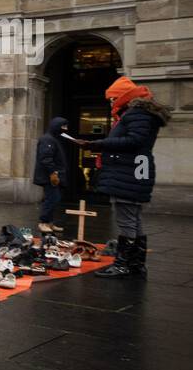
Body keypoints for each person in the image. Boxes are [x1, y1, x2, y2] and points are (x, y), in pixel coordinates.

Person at [86, 77, 170, 279]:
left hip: (128, 172)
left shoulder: (136, 114)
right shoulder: (140, 113)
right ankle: (136, 263)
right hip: (131, 171)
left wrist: (100, 144)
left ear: (123, 97)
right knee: (133, 218)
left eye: (112, 98)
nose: (111, 102)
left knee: (126, 218)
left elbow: (135, 140)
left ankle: (123, 264)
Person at [32, 117, 70, 235]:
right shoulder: (47, 139)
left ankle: (49, 223)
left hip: (53, 175)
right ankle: (43, 223)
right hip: (49, 176)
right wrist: (53, 172)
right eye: (63, 126)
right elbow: (46, 158)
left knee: (54, 198)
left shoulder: (53, 139)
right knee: (52, 198)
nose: (65, 129)